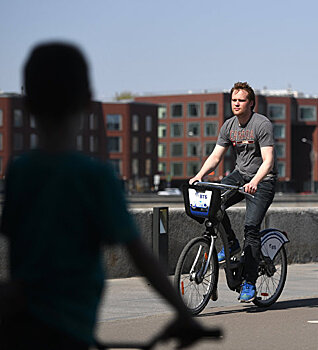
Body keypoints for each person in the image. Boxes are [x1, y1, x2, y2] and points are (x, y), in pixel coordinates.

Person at [0, 42, 210, 349]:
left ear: (27, 104)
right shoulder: (95, 177)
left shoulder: (19, 172)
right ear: (87, 102)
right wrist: (183, 313)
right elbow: (139, 254)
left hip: (19, 326)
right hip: (69, 328)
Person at [189, 82, 276, 303]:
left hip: (262, 181)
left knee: (251, 229)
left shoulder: (261, 124)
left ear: (251, 103)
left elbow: (268, 161)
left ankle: (249, 282)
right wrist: (199, 175)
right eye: (234, 100)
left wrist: (256, 181)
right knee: (213, 203)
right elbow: (216, 156)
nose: (236, 104)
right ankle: (232, 243)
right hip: (239, 176)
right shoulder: (229, 126)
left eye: (241, 100)